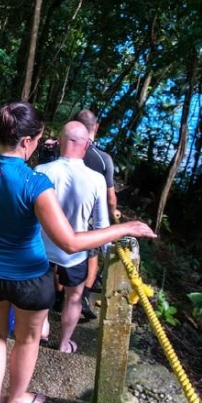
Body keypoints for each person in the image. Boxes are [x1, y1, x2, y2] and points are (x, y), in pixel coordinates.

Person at [0, 102, 157, 403]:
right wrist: (124, 228)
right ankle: (15, 401)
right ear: (27, 141)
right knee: (27, 339)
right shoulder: (35, 183)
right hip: (30, 278)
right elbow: (69, 242)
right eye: (36, 140)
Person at [35, 121, 109, 353]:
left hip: (42, 247)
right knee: (74, 298)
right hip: (75, 251)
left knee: (42, 292)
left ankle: (42, 329)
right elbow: (101, 225)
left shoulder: (42, 170)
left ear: (59, 142)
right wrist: (108, 254)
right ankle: (64, 342)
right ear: (86, 145)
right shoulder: (97, 179)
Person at [71, 109, 118, 320]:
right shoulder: (103, 159)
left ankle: (58, 296)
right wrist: (113, 212)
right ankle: (83, 297)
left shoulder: (65, 148)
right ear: (96, 127)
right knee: (92, 255)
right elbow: (110, 197)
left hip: (61, 211)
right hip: (88, 216)